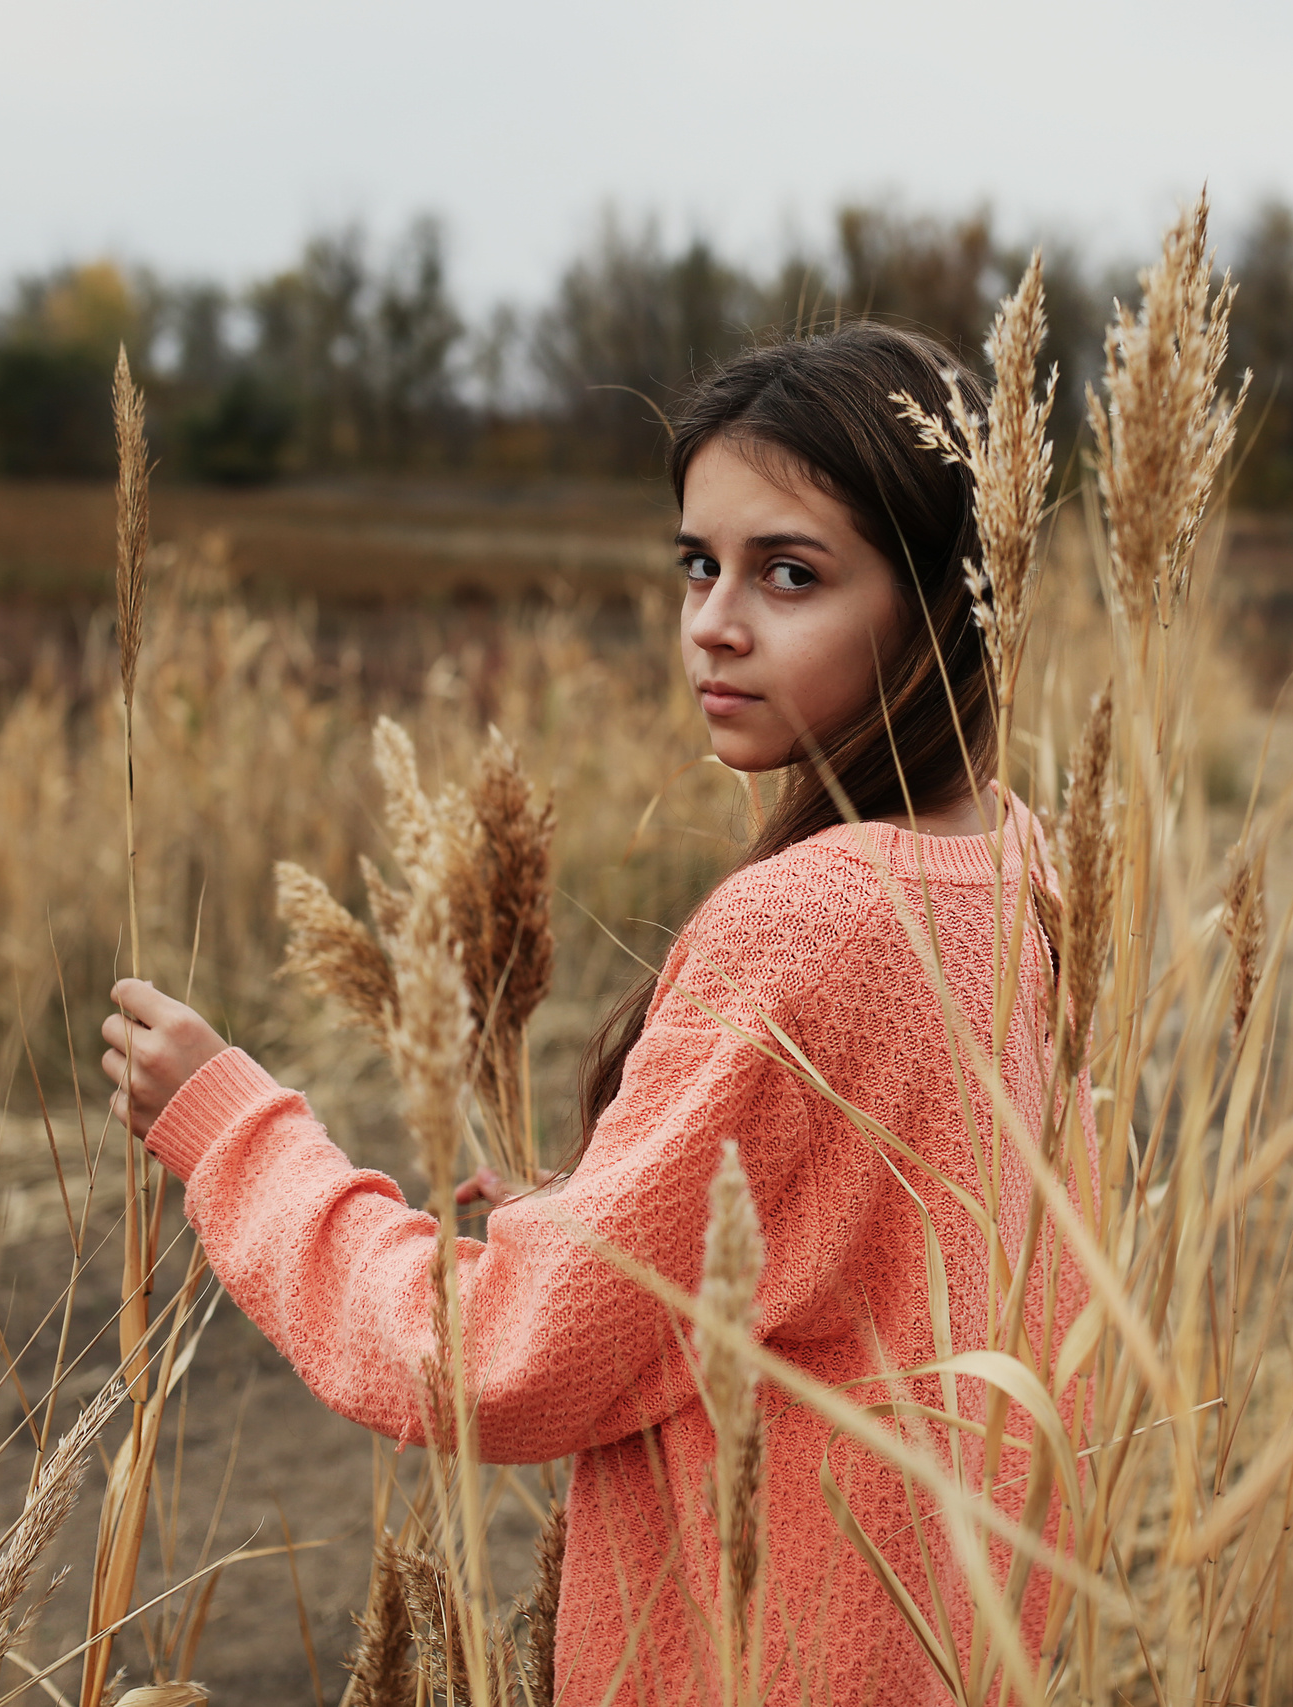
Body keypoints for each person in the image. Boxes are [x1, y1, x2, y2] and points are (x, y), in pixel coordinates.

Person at [101, 322, 1089, 1705]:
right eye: (698, 563)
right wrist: (607, 1216)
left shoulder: (813, 918)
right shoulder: (1024, 864)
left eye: (790, 574)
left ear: (940, 603)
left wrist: (235, 1140)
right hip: (953, 1653)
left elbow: (506, 1365)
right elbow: (868, 1251)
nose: (713, 623)